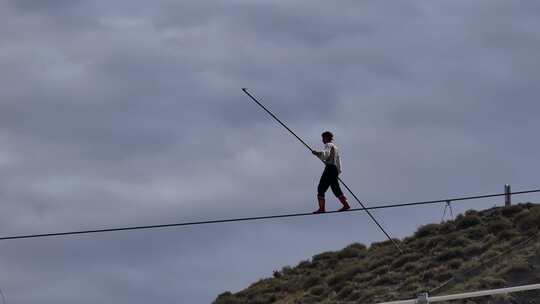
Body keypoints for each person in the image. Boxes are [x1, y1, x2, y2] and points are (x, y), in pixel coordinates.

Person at [311, 131, 351, 213]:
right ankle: (346, 205)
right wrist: (337, 172)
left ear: (326, 138)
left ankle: (322, 208)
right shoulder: (336, 148)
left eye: (323, 138)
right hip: (334, 169)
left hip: (330, 168)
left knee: (321, 189)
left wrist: (317, 152)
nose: (322, 140)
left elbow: (325, 153)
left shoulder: (328, 145)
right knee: (335, 188)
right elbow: (336, 160)